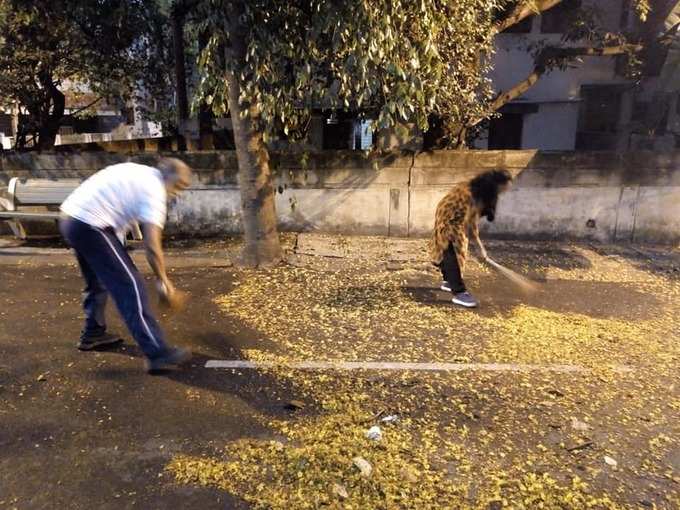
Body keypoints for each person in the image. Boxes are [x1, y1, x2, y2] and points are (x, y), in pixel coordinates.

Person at [59, 158, 192, 373]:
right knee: (131, 287)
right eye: (178, 186)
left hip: (71, 219)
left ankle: (93, 333)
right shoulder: (155, 190)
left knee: (97, 282)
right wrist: (163, 281)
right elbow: (152, 246)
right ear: (167, 176)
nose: (177, 193)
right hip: (90, 224)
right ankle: (157, 353)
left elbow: (116, 213)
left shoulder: (139, 174)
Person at [429, 169, 513, 308]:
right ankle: (459, 292)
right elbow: (471, 227)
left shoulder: (479, 189)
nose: (503, 192)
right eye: (503, 189)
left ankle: (449, 280)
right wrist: (480, 249)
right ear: (495, 185)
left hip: (453, 216)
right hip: (449, 218)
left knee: (457, 249)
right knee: (451, 252)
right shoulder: (473, 195)